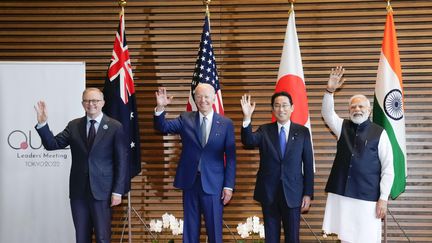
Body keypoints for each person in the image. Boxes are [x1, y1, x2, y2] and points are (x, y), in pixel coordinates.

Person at [34, 87, 129, 243]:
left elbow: (121, 162)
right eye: (87, 100)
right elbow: (52, 144)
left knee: (103, 237)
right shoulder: (74, 126)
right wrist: (42, 123)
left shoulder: (115, 127)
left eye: (95, 100)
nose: (91, 104)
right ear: (82, 103)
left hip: (103, 192)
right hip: (79, 193)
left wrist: (118, 191)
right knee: (81, 237)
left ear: (103, 103)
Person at [153, 83, 236, 243]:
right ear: (194, 98)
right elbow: (162, 127)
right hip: (190, 182)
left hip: (214, 184)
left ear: (213, 98)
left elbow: (231, 158)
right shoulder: (186, 118)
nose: (202, 100)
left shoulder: (226, 124)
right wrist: (160, 108)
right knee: (190, 229)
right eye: (198, 96)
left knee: (214, 230)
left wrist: (228, 186)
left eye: (206, 96)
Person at [321, 66, 395, 243]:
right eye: (353, 106)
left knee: (367, 238)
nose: (357, 109)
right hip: (342, 195)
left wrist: (383, 198)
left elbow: (388, 168)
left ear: (369, 110)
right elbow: (327, 113)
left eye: (361, 105)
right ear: (349, 110)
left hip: (368, 198)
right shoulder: (342, 127)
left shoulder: (380, 133)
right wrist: (329, 91)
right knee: (345, 238)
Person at [240, 92, 314, 243]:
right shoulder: (264, 130)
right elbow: (248, 141)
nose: (281, 109)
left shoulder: (302, 132)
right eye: (277, 106)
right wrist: (247, 117)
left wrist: (308, 193)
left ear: (292, 108)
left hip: (293, 193)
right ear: (272, 109)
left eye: (285, 105)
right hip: (269, 193)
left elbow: (308, 163)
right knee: (271, 237)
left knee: (292, 238)